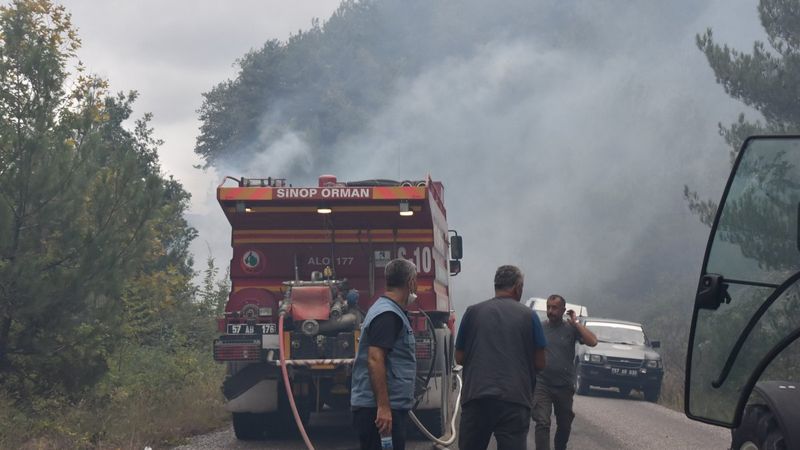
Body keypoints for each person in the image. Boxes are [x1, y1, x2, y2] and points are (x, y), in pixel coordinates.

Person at [455, 265, 547, 450]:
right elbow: (540, 362)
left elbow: (459, 357)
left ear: (496, 285)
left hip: (477, 397)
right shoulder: (529, 316)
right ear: (517, 287)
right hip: (515, 399)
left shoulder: (472, 312)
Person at [351, 258, 418, 450]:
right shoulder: (388, 315)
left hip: (387, 406)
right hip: (380, 410)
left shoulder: (389, 311)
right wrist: (383, 407)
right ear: (410, 282)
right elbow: (375, 359)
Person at [532, 294, 598, 450]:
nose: (551, 311)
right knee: (542, 422)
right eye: (548, 307)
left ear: (563, 310)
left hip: (564, 385)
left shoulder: (571, 329)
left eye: (555, 308)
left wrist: (576, 323)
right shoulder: (540, 328)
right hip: (542, 383)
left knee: (564, 424)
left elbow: (593, 341)